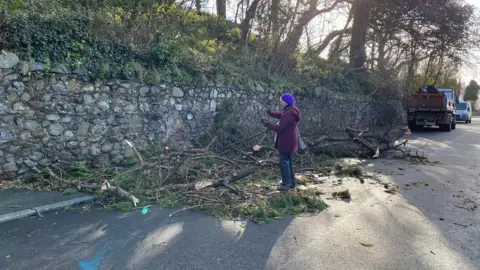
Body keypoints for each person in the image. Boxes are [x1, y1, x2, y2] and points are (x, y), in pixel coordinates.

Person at [262, 93, 301, 191]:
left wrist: (268, 125)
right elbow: (282, 115)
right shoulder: (292, 110)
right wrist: (272, 113)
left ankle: (286, 184)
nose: (280, 103)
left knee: (284, 163)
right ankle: (291, 183)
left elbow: (280, 128)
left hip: (286, 141)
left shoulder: (288, 113)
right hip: (291, 140)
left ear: (285, 102)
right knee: (289, 162)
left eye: (281, 101)